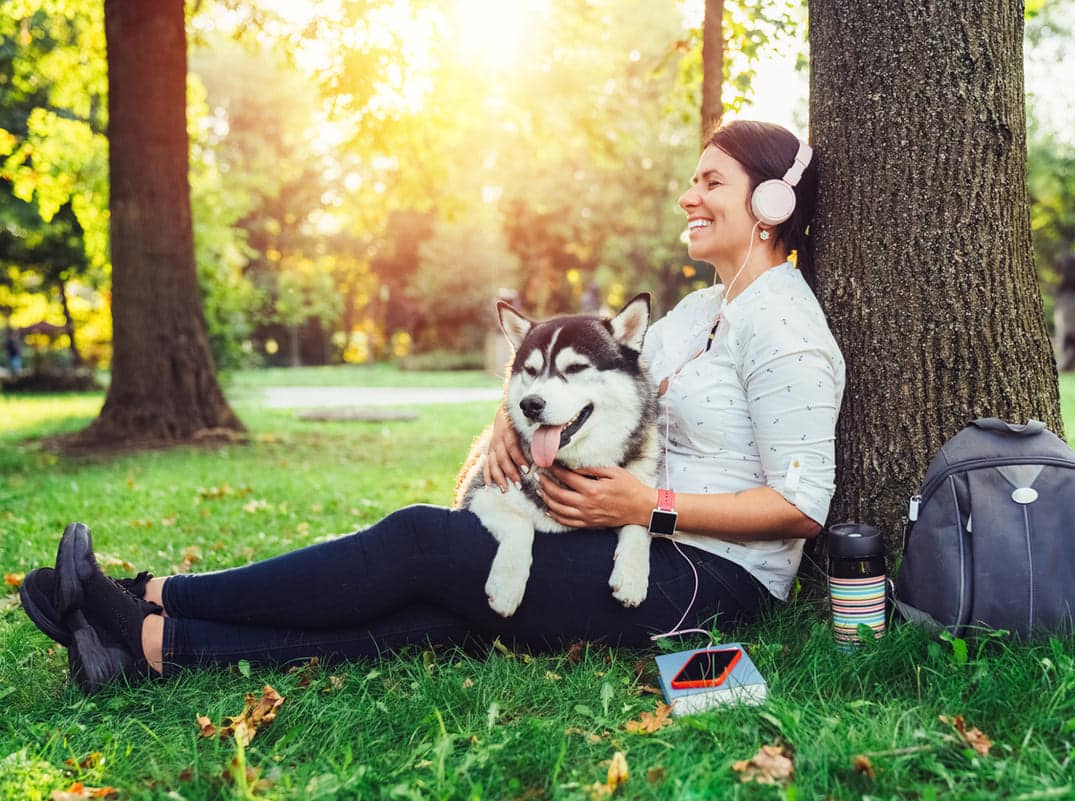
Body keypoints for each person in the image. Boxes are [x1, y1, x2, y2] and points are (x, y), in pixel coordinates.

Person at [19, 120, 845, 692]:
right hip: (629, 537)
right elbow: (589, 370)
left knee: (422, 541)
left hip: (707, 581)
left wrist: (647, 506)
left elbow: (801, 508)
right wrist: (506, 417)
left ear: (771, 203)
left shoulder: (787, 329)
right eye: (690, 181)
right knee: (442, 611)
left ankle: (156, 593)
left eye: (711, 182)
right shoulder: (700, 312)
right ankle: (152, 642)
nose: (688, 197)